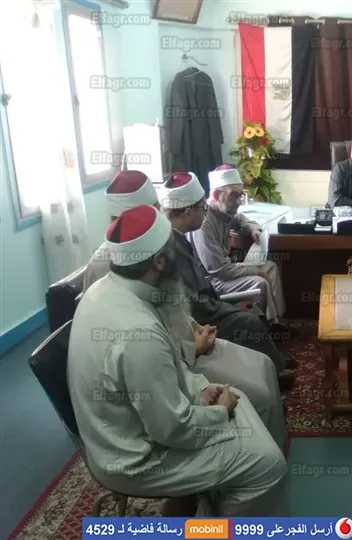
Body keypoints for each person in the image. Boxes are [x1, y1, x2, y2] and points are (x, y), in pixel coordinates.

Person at [68, 205, 288, 517]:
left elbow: (163, 366)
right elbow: (172, 430)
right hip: (138, 458)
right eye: (172, 249)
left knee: (245, 401)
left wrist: (199, 391)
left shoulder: (107, 289)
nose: (177, 255)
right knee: (267, 465)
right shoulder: (138, 334)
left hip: (129, 428)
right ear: (158, 261)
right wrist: (219, 412)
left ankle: (210, 502)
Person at [157, 171, 287, 445]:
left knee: (254, 322)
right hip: (199, 313)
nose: (206, 211)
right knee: (249, 322)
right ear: (189, 211)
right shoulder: (172, 245)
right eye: (202, 208)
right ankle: (276, 377)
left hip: (204, 300)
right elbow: (195, 298)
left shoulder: (178, 235)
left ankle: (275, 369)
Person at [188, 165, 286, 328]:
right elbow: (220, 271)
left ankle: (276, 321)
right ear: (216, 195)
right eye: (234, 195)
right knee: (259, 282)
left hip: (225, 270)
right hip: (212, 281)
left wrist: (252, 228)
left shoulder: (223, 211)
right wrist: (256, 271)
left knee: (270, 267)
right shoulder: (204, 222)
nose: (239, 201)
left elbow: (240, 218)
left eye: (241, 195)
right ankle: (264, 326)